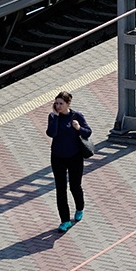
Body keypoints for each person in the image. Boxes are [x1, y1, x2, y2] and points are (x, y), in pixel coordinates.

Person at [46, 91, 92, 233]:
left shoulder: (76, 116)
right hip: (58, 157)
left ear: (68, 104)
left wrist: (78, 128)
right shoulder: (53, 117)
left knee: (74, 186)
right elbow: (51, 133)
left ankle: (79, 207)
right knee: (60, 189)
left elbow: (88, 132)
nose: (58, 106)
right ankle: (65, 221)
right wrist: (55, 117)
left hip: (74, 157)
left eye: (61, 103)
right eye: (56, 103)